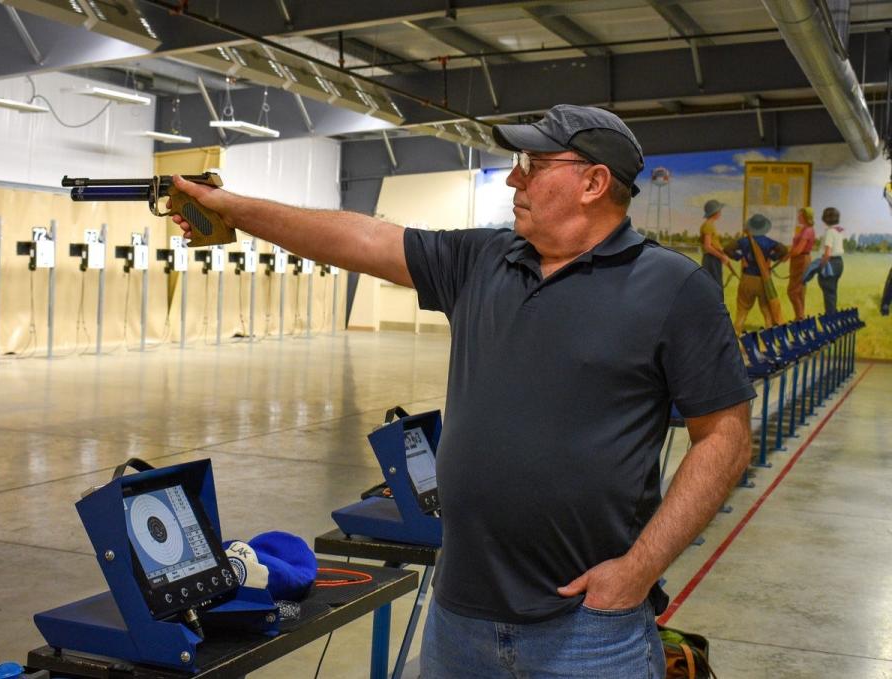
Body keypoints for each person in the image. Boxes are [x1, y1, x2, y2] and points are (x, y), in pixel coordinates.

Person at [170, 105, 754, 679]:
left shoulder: (674, 288)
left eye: (533, 163)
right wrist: (231, 209)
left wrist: (639, 568)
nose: (513, 178)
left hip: (588, 629)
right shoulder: (483, 260)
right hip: (458, 619)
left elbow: (724, 439)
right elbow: (360, 239)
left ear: (594, 182)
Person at [725, 213, 788, 335]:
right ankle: (768, 338)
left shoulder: (743, 241)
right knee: (766, 311)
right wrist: (771, 257)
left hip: (747, 279)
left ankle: (736, 335)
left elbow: (727, 249)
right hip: (763, 280)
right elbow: (784, 250)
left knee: (742, 311)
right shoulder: (769, 242)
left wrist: (739, 257)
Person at [783, 207, 816, 319]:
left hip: (801, 261)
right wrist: (788, 256)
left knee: (792, 291)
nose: (798, 217)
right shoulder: (803, 229)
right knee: (799, 291)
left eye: (800, 215)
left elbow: (798, 250)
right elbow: (795, 248)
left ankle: (800, 317)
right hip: (798, 260)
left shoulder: (808, 230)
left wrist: (787, 255)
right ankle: (800, 318)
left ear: (806, 217)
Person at [818, 207, 845, 314]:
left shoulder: (829, 232)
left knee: (828, 291)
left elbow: (827, 253)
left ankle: (830, 318)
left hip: (830, 262)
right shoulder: (839, 231)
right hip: (839, 263)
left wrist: (821, 266)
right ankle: (833, 315)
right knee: (832, 292)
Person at [700, 199, 731, 286]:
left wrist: (722, 252)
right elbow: (707, 246)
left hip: (713, 258)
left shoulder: (710, 225)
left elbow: (714, 244)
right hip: (711, 259)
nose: (720, 213)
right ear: (715, 212)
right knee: (714, 286)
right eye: (719, 210)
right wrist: (721, 256)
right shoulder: (708, 225)